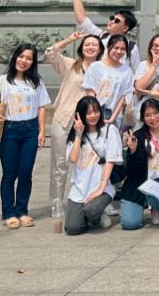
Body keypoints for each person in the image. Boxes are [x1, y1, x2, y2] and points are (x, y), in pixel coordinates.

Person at [0, 43, 50, 229]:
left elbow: (41, 107)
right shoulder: (1, 81)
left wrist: (42, 131)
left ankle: (22, 211)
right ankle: (8, 213)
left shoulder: (36, 82)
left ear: (33, 62)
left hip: (30, 130)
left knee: (25, 174)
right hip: (9, 130)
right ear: (15, 57)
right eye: (21, 56)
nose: (24, 61)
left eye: (29, 58)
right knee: (9, 174)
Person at [45, 31, 103, 224]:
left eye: (95, 45)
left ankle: (90, 198)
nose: (90, 47)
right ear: (81, 47)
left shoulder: (102, 69)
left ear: (100, 49)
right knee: (59, 162)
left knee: (89, 163)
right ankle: (56, 201)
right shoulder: (71, 66)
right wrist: (69, 39)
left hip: (90, 121)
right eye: (87, 44)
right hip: (65, 118)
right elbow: (50, 53)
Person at [119, 98, 159, 229]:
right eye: (148, 115)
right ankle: (144, 204)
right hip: (140, 184)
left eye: (156, 113)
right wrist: (133, 150)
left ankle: (157, 208)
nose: (153, 118)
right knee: (130, 223)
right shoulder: (138, 136)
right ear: (143, 118)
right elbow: (131, 171)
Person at [64, 96, 122, 235]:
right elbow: (73, 159)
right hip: (80, 189)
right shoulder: (76, 134)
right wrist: (78, 134)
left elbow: (110, 160)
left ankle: (96, 214)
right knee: (72, 229)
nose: (93, 116)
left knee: (91, 210)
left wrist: (101, 188)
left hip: (102, 187)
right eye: (88, 113)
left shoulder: (109, 130)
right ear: (81, 114)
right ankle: (89, 217)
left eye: (96, 111)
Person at [71, 0, 140, 69]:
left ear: (125, 28)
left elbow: (136, 75)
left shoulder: (131, 48)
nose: (111, 21)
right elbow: (81, 18)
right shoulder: (101, 36)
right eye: (112, 18)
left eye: (117, 21)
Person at [81, 34, 134, 129]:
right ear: (108, 47)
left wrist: (112, 118)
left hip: (115, 117)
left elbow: (123, 98)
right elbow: (90, 93)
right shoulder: (95, 67)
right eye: (116, 48)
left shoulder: (127, 71)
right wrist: (95, 114)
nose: (119, 51)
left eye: (122, 49)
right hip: (95, 116)